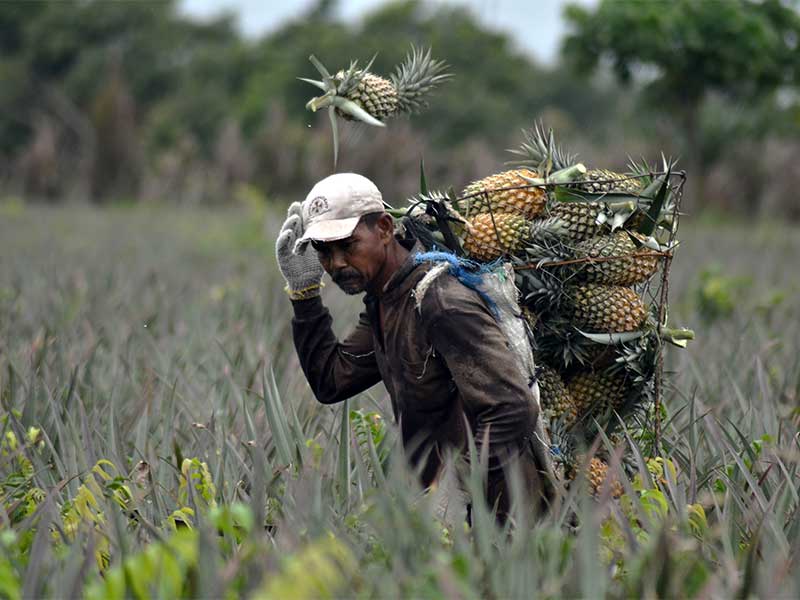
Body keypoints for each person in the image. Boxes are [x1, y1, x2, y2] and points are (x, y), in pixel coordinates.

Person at [275, 172, 553, 522]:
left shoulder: (440, 303)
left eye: (348, 245)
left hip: (499, 520)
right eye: (324, 251)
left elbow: (512, 409)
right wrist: (304, 294)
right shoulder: (386, 300)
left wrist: (458, 490)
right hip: (450, 519)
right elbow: (332, 381)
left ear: (385, 228)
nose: (336, 263)